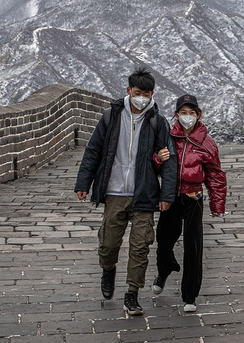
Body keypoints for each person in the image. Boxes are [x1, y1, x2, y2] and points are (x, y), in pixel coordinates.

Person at [74, 67, 177, 316]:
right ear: (128, 91)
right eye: (137, 92)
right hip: (114, 192)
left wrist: (167, 194)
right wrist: (83, 183)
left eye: (147, 93)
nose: (142, 97)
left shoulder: (157, 121)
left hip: (145, 193)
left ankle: (132, 294)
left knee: (140, 246)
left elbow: (170, 159)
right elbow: (93, 150)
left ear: (153, 94)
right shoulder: (111, 117)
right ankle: (108, 269)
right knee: (108, 244)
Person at [152, 94, 226, 313]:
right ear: (176, 115)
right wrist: (159, 158)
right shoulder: (167, 137)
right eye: (183, 113)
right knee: (164, 240)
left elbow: (215, 175)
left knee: (193, 248)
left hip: (193, 197)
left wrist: (217, 205)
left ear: (198, 115)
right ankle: (164, 270)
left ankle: (190, 296)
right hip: (171, 196)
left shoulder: (206, 143)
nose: (187, 117)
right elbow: (153, 166)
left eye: (191, 113)